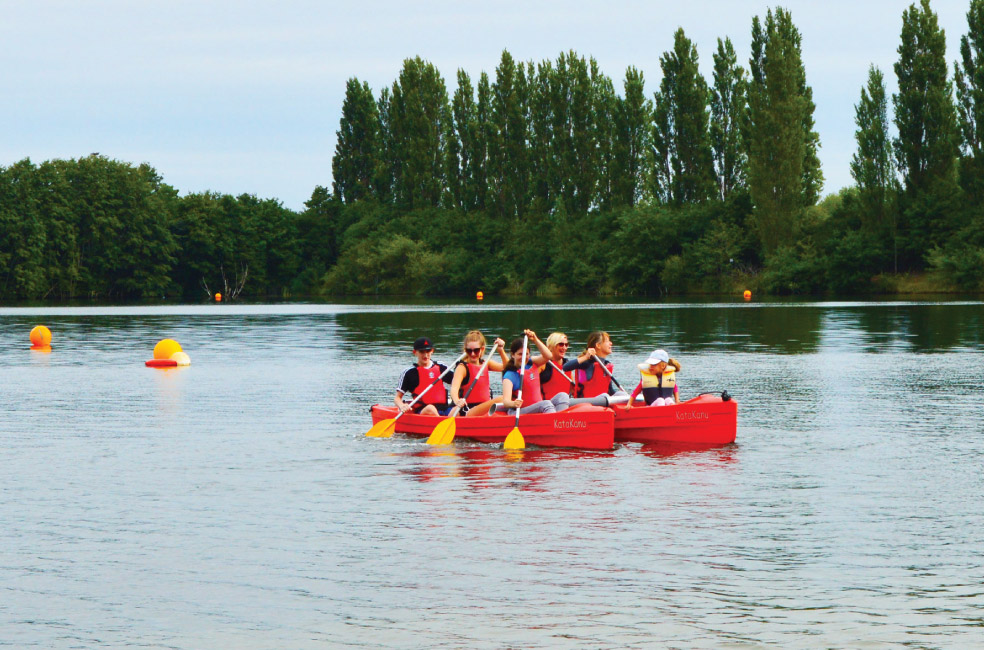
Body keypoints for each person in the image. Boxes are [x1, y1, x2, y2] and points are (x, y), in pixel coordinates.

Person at [501, 330, 570, 415]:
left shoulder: (532, 363)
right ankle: (553, 422)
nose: (523, 357)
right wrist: (514, 403)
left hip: (537, 408)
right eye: (520, 354)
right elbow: (506, 402)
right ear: (512, 355)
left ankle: (560, 421)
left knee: (563, 396)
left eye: (526, 354)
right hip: (519, 411)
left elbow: (548, 356)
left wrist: (535, 339)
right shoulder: (510, 374)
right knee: (545, 404)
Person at [563, 330, 630, 406]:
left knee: (621, 394)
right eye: (607, 341)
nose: (611, 343)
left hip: (603, 403)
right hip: (586, 404)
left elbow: (610, 391)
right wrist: (586, 357)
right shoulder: (587, 363)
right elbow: (566, 367)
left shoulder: (606, 365)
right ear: (598, 345)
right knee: (605, 396)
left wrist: (625, 398)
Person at [449, 331, 508, 416]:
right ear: (465, 350)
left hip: (483, 407)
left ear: (482, 349)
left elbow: (507, 367)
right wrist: (457, 400)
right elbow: (454, 389)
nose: (472, 354)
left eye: (476, 350)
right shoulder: (462, 367)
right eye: (469, 351)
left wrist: (501, 351)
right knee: (502, 399)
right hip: (468, 409)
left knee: (507, 400)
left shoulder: (486, 363)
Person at [394, 336, 454, 416]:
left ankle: (447, 421)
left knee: (457, 410)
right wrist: (402, 406)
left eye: (428, 351)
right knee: (430, 409)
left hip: (444, 409)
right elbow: (397, 398)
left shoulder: (441, 367)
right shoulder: (409, 373)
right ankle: (441, 422)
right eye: (422, 352)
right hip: (424, 411)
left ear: (432, 351)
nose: (425, 355)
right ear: (415, 352)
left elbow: (459, 381)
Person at [539, 331, 576, 400]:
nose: (564, 348)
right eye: (561, 344)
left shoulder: (567, 365)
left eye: (566, 345)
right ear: (551, 346)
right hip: (547, 405)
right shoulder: (543, 364)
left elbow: (573, 391)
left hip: (565, 403)